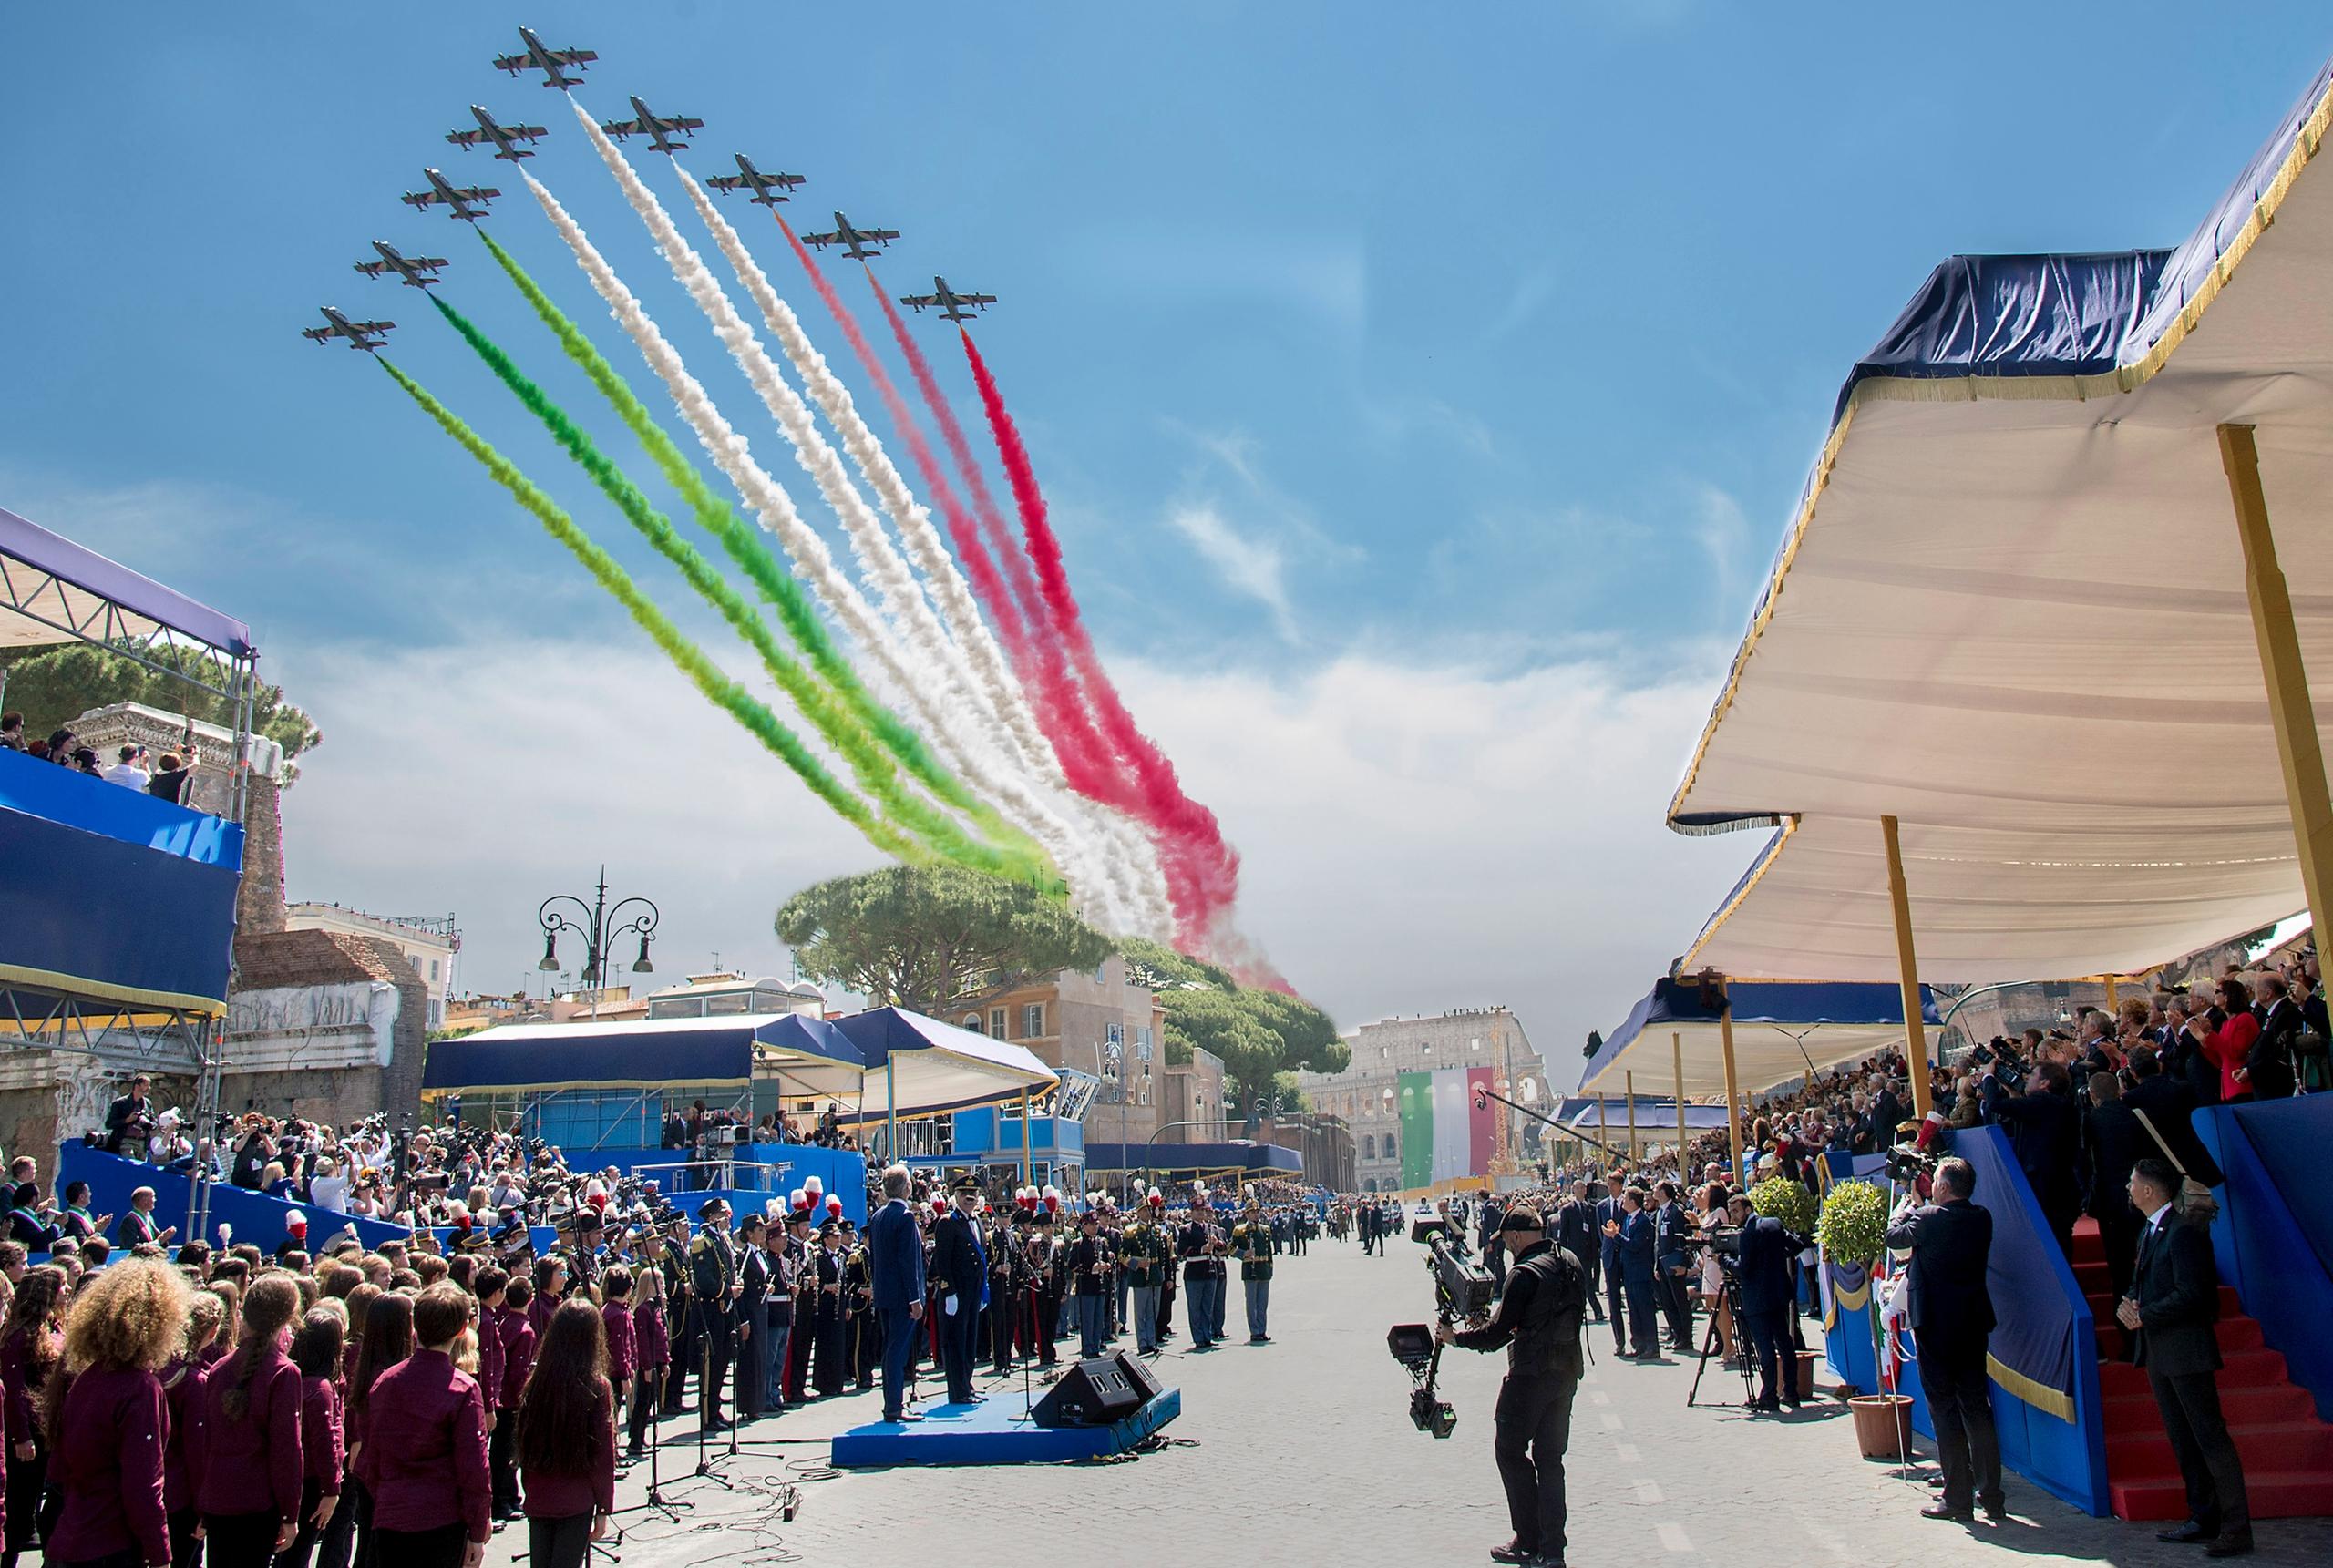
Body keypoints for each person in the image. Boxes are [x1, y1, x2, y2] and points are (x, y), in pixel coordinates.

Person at [1436, 1207, 1587, 1568]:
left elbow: (1496, 1335)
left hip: (1529, 1375)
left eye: (1505, 1243)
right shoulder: (1570, 1261)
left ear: (1516, 1237)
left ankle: (1527, 1540)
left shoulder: (1522, 1274)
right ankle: (1553, 1550)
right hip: (1566, 1372)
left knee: (1510, 1451)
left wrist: (1456, 1338)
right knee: (1551, 1461)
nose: (1506, 1249)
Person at [2119, 1159, 2251, 1558]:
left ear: (2149, 1190)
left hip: (2187, 1351)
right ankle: (2202, 1515)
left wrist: (2146, 1315)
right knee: (2183, 1439)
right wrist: (2128, 1305)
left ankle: (2236, 1528)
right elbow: (2146, 1282)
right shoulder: (2149, 1231)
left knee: (2210, 1438)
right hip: (2160, 1352)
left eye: (2132, 1182)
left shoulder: (2183, 1233)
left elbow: (2194, 1294)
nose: (2127, 1187)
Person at [41, 1258, 187, 1568]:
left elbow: (58, 1470)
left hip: (70, 1537)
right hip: (110, 1546)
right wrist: (160, 1554)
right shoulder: (140, 1388)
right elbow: (144, 1486)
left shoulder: (87, 1378)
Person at [1885, 1156, 2000, 1523]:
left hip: (1935, 1327)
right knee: (1977, 1409)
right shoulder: (1981, 1218)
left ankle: (1958, 1498)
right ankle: (1991, 1493)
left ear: (1945, 1187)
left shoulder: (1929, 1218)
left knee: (1945, 1411)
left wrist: (1907, 1203)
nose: (1931, 1185)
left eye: (1934, 1180)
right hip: (1972, 1324)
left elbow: (1892, 1236)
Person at [358, 1282, 490, 1568]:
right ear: (460, 1331)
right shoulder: (462, 1388)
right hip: (441, 1519)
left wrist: (386, 1498)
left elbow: (372, 1456)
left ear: (415, 1326)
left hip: (392, 1515)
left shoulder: (386, 1382)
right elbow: (474, 1467)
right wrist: (478, 1527)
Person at [190, 1272, 305, 1568]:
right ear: (288, 1317)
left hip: (219, 1498)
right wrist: (289, 1514)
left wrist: (203, 1501)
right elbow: (286, 1450)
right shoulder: (283, 1372)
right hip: (257, 1503)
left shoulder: (219, 1368)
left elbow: (207, 1443)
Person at [515, 1300, 616, 1568]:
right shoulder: (596, 1385)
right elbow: (604, 1454)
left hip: (540, 1493)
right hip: (576, 1496)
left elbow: (524, 1441)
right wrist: (604, 1507)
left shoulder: (536, 1381)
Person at [278, 1307, 347, 1568]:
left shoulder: (293, 1377)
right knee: (298, 1553)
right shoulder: (321, 1389)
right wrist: (332, 1489)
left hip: (292, 1477)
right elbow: (325, 1442)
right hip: (312, 1482)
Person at [1725, 1192, 1797, 1410]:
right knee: (1785, 1344)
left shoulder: (1748, 1234)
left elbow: (1743, 1269)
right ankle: (1791, 1392)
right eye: (1731, 1212)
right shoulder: (1774, 1224)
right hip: (1778, 1294)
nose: (1733, 1216)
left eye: (1736, 1211)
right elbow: (1796, 1245)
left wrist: (1725, 1260)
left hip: (1757, 1299)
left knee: (1765, 1348)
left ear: (1747, 1209)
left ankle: (1769, 1396)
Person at [2085, 1071, 2147, 1300]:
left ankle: (2124, 1307)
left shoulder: (2091, 1120)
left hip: (2109, 1199)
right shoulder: (2137, 1115)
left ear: (2092, 1095)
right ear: (2119, 1091)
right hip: (2142, 1194)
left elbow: (2084, 1160)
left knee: (2118, 1261)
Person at [929, 1175, 987, 1405]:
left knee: (970, 1339)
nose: (969, 1199)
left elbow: (981, 1259)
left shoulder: (977, 1222)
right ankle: (957, 1390)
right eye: (964, 1195)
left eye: (973, 1196)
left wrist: (983, 1290)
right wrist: (948, 1290)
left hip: (973, 1290)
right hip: (956, 1291)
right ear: (956, 1197)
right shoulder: (947, 1223)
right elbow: (942, 1262)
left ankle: (967, 1384)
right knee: (955, 1340)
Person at [687, 1199, 738, 1432]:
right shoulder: (702, 1242)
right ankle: (707, 1414)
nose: (726, 1217)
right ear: (710, 1217)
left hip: (724, 1307)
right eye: (721, 1214)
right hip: (711, 1307)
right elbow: (704, 1279)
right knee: (710, 1363)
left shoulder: (721, 1240)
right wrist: (726, 1291)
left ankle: (715, 1409)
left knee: (720, 1362)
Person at [1606, 1187, 1658, 1360]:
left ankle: (1652, 1344)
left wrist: (1616, 1236)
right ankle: (1639, 1343)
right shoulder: (1628, 1219)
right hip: (1629, 1272)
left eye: (1626, 1199)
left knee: (1644, 1309)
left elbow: (1635, 1245)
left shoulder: (1643, 1222)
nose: (1623, 1202)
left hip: (1640, 1273)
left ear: (1633, 1202)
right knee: (1633, 1310)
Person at [1065, 1208, 1115, 1359]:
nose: (1094, 1227)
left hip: (1100, 1287)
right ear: (1084, 1226)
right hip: (1086, 1287)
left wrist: (1106, 1265)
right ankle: (1088, 1348)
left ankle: (1096, 1345)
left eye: (1096, 1224)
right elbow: (1072, 1264)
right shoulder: (1078, 1244)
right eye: (1091, 1224)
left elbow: (1108, 1260)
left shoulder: (1101, 1242)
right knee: (1087, 1320)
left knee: (1098, 1319)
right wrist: (1090, 1269)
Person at [1594, 1173, 1629, 1354]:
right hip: (1609, 1256)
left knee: (1632, 1297)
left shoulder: (1628, 1204)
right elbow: (1601, 1234)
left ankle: (1637, 1339)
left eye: (1613, 1184)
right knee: (1614, 1301)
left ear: (1621, 1185)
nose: (1610, 1187)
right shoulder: (1601, 1206)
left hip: (1626, 1254)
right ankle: (1619, 1340)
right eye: (1608, 1184)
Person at [1232, 1197, 1274, 1344]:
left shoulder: (1266, 1230)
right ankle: (1254, 1331)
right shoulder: (1240, 1230)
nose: (1256, 1215)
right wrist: (1243, 1254)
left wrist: (1270, 1269)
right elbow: (1231, 1249)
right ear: (1247, 1214)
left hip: (1263, 1270)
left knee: (1262, 1304)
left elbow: (1269, 1252)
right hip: (1250, 1270)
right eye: (1252, 1212)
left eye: (1257, 1212)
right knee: (1252, 1304)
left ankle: (1262, 1330)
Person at [104, 1074, 157, 1155]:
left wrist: (148, 1123)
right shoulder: (120, 1103)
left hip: (142, 1143)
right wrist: (127, 1120)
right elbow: (109, 1124)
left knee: (140, 1167)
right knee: (129, 1163)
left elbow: (154, 1122)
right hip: (126, 1141)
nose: (148, 1088)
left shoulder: (147, 1103)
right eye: (146, 1085)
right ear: (137, 1086)